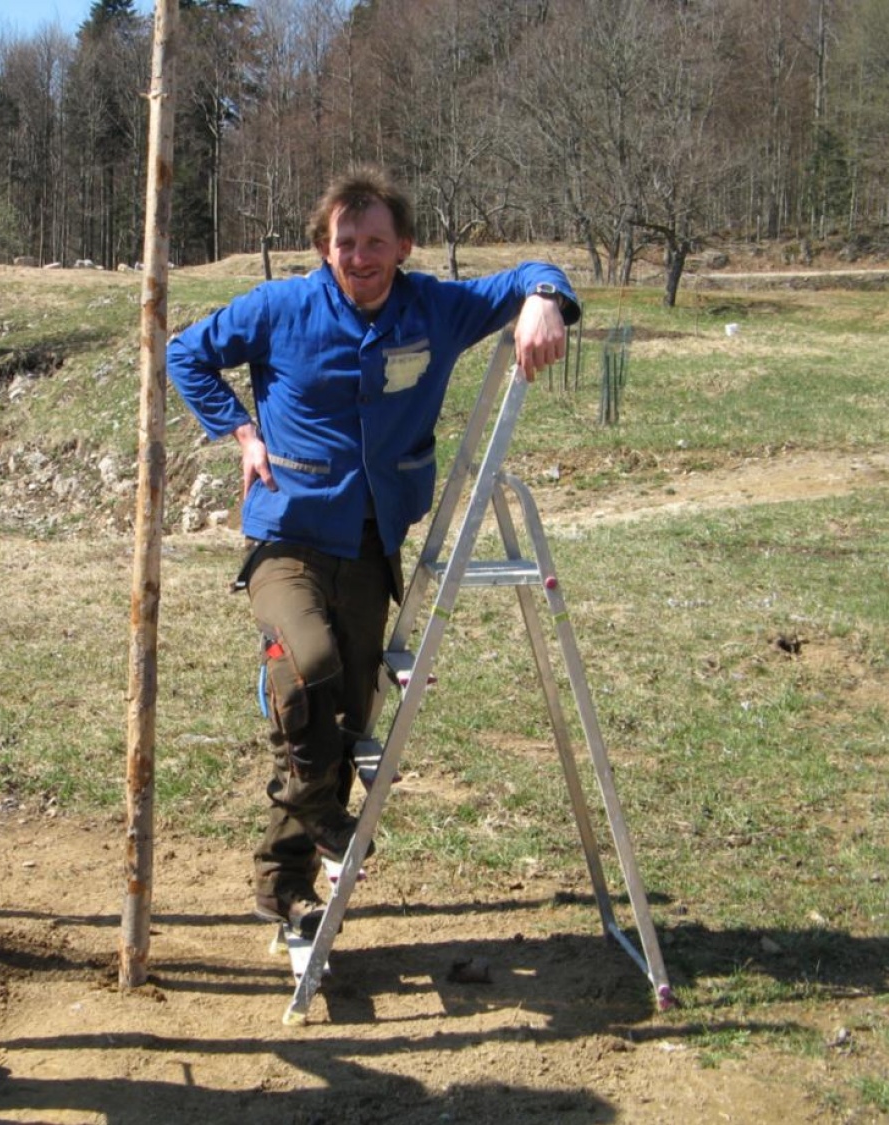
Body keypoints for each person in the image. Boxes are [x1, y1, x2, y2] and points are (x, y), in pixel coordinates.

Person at [167, 167, 581, 940]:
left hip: (371, 546)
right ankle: (318, 809)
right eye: (344, 243)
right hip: (286, 535)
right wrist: (242, 430)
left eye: (375, 243)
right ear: (325, 247)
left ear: (404, 247)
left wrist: (544, 303)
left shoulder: (436, 308)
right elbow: (185, 352)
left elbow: (530, 274)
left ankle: (283, 884)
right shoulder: (280, 307)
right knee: (309, 664)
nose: (359, 257)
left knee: (349, 716)